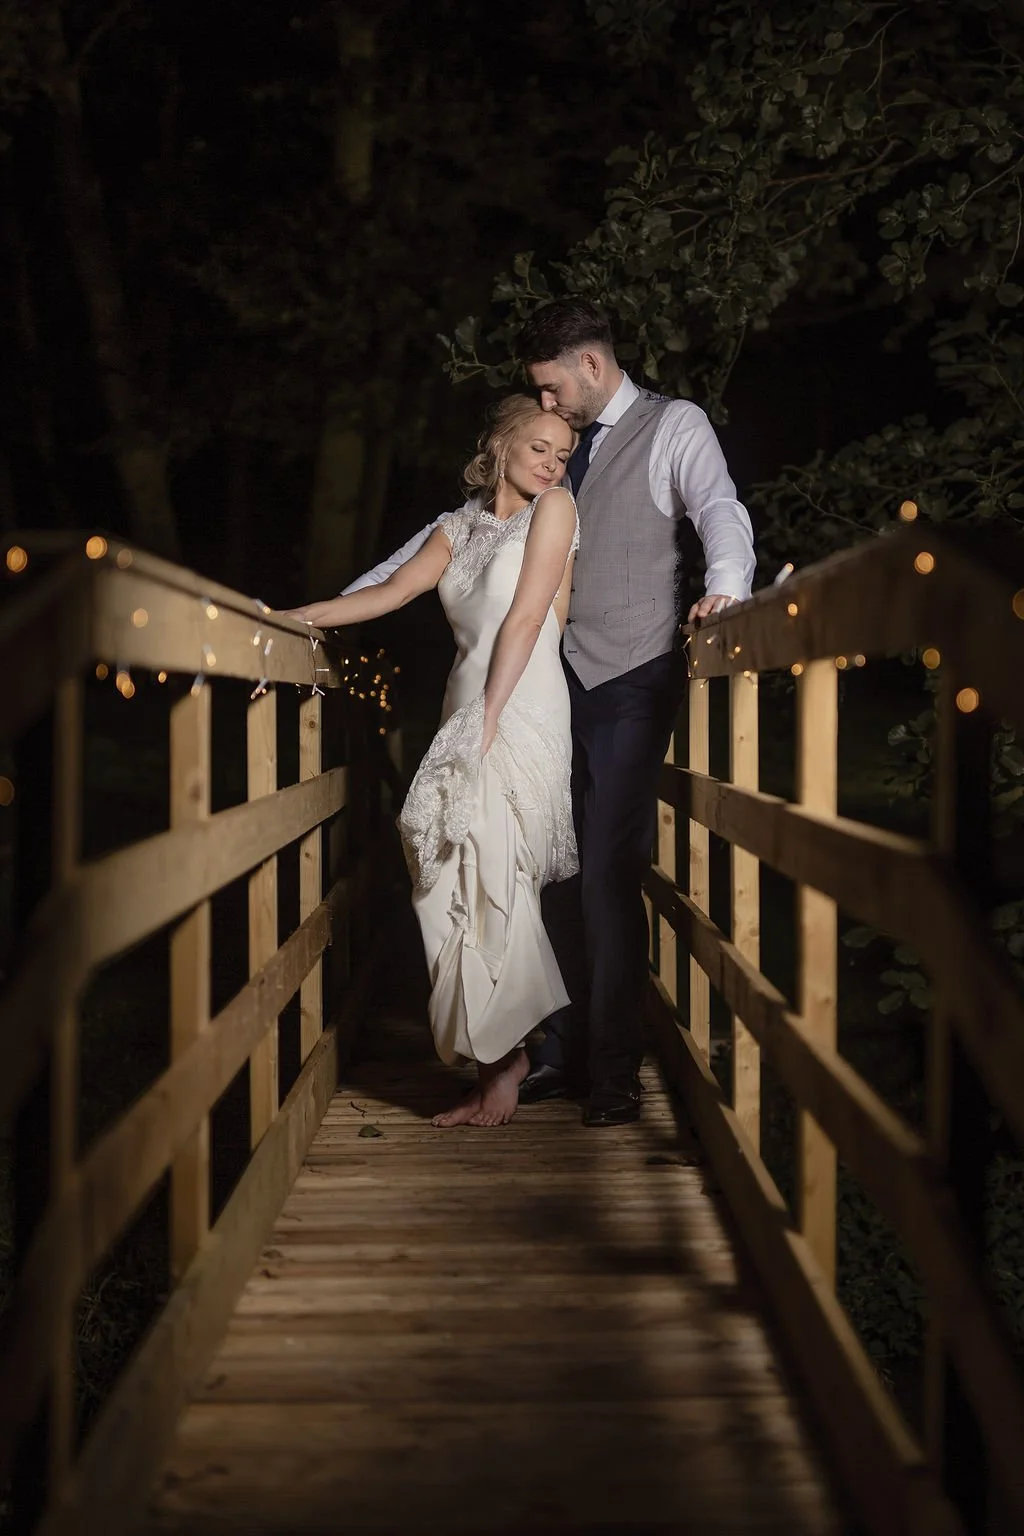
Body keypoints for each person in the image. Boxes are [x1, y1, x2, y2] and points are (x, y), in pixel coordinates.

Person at [344, 300, 756, 1128]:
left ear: (590, 366)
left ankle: (610, 1071)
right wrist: (306, 619)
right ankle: (551, 1052)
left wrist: (728, 587)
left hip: (629, 675)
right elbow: (422, 557)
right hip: (547, 686)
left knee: (605, 869)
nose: (548, 405)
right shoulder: (540, 457)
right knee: (547, 875)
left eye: (551, 386)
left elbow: (719, 509)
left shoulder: (673, 426)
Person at [284, 396, 580, 1128]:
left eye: (563, 454)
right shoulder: (454, 527)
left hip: (521, 701)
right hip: (464, 704)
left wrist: (489, 719)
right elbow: (391, 591)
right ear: (502, 443)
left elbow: (526, 616)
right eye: (540, 447)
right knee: (441, 874)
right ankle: (490, 1060)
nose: (552, 463)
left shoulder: (557, 512)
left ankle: (508, 1066)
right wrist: (292, 620)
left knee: (497, 868)